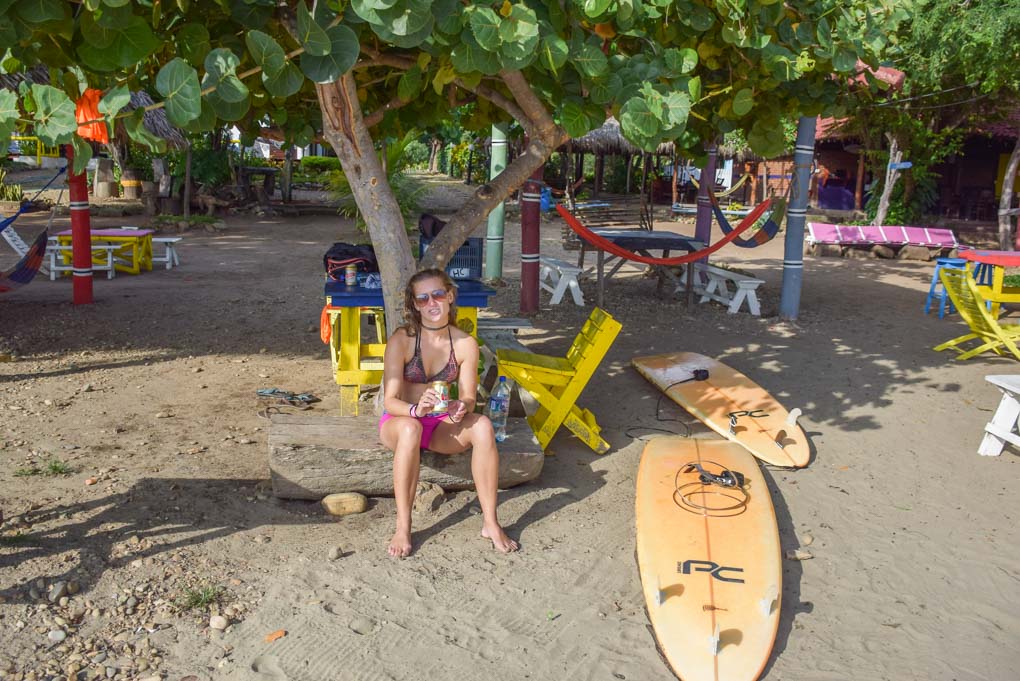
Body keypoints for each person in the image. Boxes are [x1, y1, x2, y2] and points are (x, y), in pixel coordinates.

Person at [379, 268, 519, 558]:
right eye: (423, 298)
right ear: (415, 304)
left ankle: (490, 522)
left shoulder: (465, 344)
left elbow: (468, 396)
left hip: (439, 424)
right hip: (400, 421)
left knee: (482, 426)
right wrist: (416, 409)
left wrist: (461, 407)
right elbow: (390, 401)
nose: (432, 303)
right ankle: (403, 526)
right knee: (410, 428)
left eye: (438, 294)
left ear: (450, 296)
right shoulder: (402, 340)